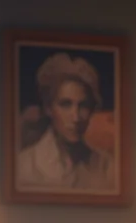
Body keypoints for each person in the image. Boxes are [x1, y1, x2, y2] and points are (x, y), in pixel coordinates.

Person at [15, 52, 116, 193]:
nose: (75, 117)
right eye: (65, 104)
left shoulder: (107, 166)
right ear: (49, 108)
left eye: (83, 106)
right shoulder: (25, 164)